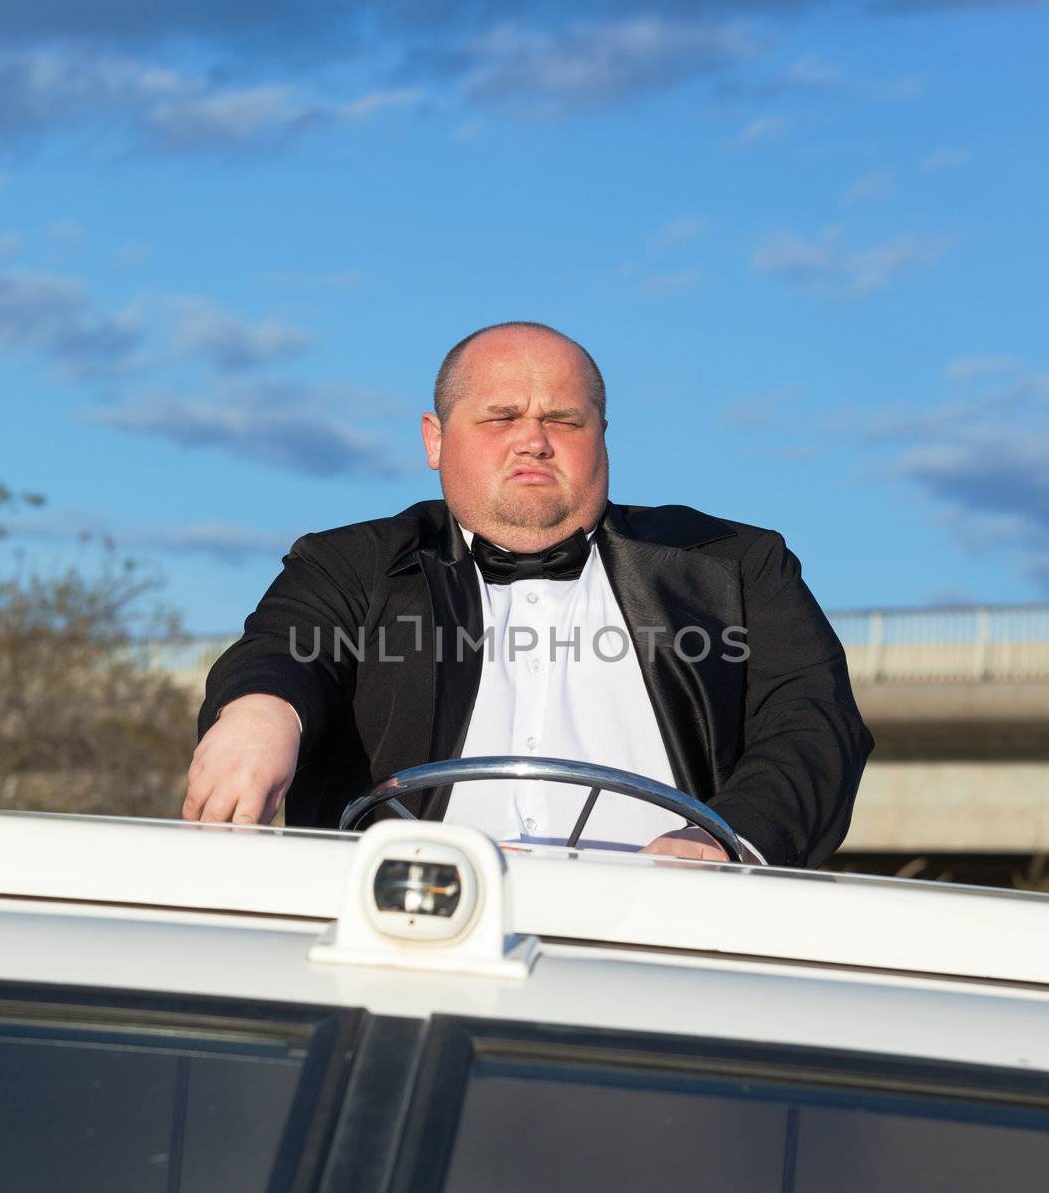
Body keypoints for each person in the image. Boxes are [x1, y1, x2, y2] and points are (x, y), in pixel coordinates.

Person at [184, 321, 872, 867]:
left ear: (601, 436)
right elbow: (284, 647)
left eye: (564, 420)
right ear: (434, 439)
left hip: (668, 936)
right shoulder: (352, 563)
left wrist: (722, 839)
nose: (534, 441)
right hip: (409, 924)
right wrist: (261, 715)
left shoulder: (736, 566)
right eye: (500, 417)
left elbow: (812, 724)